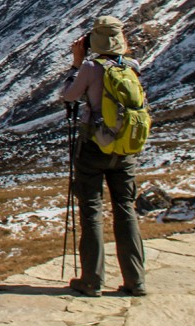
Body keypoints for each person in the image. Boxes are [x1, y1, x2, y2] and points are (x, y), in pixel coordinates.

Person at [60, 15, 147, 298]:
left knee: (92, 211)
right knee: (125, 209)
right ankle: (136, 280)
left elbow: (69, 96)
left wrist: (75, 64)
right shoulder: (132, 67)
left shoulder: (89, 67)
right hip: (125, 150)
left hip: (94, 147)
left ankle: (92, 279)